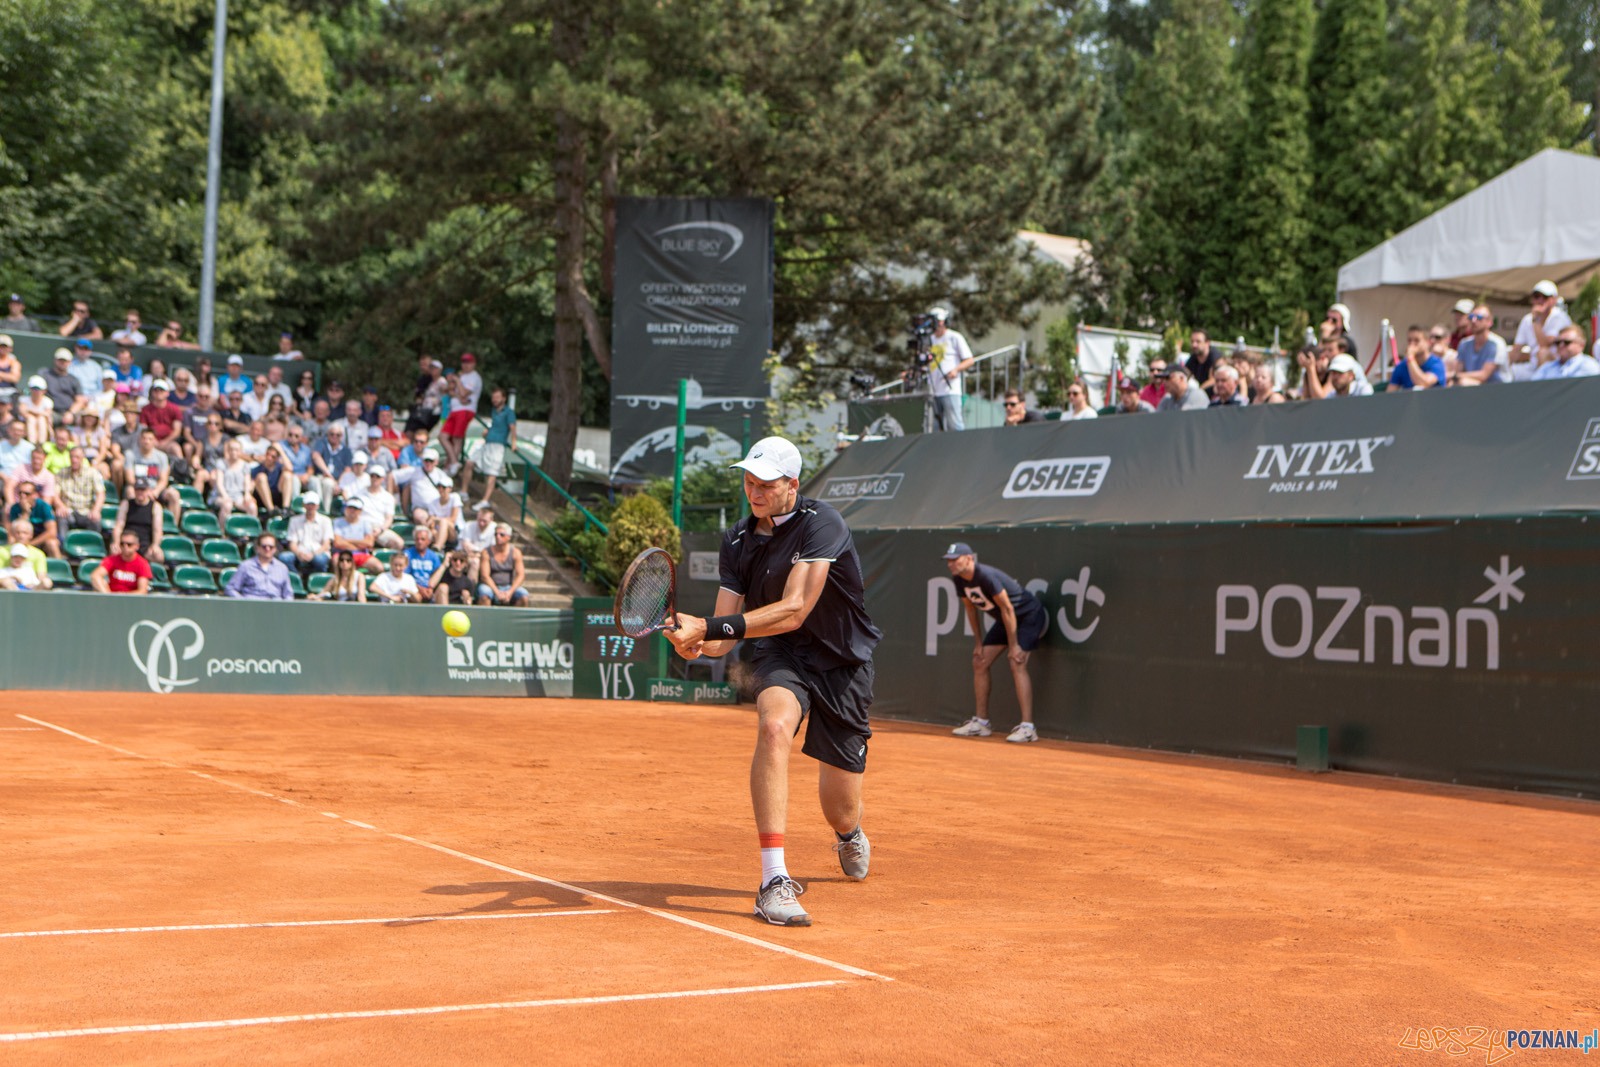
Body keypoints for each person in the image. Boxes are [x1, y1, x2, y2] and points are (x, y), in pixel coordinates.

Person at [665, 436, 880, 927]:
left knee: (841, 809)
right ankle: (773, 880)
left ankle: (849, 835)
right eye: (748, 481)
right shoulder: (737, 541)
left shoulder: (823, 523)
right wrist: (693, 640)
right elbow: (722, 637)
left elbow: (794, 610)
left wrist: (711, 628)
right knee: (774, 728)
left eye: (765, 483)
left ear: (793, 485)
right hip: (783, 657)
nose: (754, 491)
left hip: (844, 665)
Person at [942, 543, 1047, 744]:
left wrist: (1014, 644)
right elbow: (971, 609)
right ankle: (982, 723)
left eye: (955, 559)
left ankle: (1028, 727)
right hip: (1005, 620)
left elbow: (1008, 609)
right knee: (980, 661)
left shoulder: (985, 576)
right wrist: (978, 643)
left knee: (1017, 662)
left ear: (969, 559)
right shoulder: (958, 580)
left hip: (1028, 616)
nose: (950, 564)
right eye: (948, 560)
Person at [921, 308, 973, 432]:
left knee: (954, 424)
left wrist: (956, 370)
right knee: (934, 427)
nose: (938, 325)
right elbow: (923, 362)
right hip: (933, 390)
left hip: (950, 389)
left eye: (940, 322)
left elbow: (969, 359)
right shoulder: (929, 340)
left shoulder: (954, 337)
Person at [461, 387, 515, 502]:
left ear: (504, 399)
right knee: (469, 462)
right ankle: (463, 492)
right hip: (487, 444)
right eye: (493, 397)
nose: (494, 400)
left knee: (491, 473)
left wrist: (514, 443)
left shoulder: (509, 412)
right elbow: (496, 425)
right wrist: (488, 431)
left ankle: (485, 500)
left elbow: (512, 427)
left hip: (497, 446)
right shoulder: (494, 411)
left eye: (497, 397)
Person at [1510, 281, 1572, 382]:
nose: (1540, 300)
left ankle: (1544, 391)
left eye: (1545, 297)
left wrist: (1536, 320)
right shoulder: (1526, 320)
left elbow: (1544, 344)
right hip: (1533, 366)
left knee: (1542, 353)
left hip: (1557, 367)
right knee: (1507, 372)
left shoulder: (1560, 317)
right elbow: (1516, 349)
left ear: (1553, 300)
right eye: (1536, 296)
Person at [440, 353, 483, 472]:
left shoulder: (474, 377)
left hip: (465, 410)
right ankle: (452, 462)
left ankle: (451, 464)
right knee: (443, 436)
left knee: (456, 438)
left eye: (468, 363)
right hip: (455, 410)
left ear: (473, 364)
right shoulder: (462, 376)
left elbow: (464, 393)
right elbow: (451, 392)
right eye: (464, 363)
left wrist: (457, 380)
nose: (466, 365)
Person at [111, 477, 166, 563]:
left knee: (158, 556)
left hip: (145, 544)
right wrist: (116, 542)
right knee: (114, 551)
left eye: (142, 490)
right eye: (137, 490)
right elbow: (118, 526)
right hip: (127, 543)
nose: (140, 492)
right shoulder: (126, 504)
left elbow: (157, 529)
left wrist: (155, 545)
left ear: (148, 490)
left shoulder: (155, 506)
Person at [224, 533, 294, 599]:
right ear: (258, 548)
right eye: (264, 547)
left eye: (271, 547)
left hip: (275, 608)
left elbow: (288, 594)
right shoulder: (246, 566)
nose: (267, 549)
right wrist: (243, 602)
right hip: (251, 607)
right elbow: (231, 589)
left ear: (275, 549)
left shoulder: (282, 568)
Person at [476, 523, 529, 606]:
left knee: (524, 596)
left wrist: (510, 592)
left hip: (508, 586)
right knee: (485, 594)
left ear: (508, 537)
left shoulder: (516, 553)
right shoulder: (486, 552)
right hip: (490, 586)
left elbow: (521, 575)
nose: (498, 537)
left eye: (501, 534)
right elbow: (485, 576)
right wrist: (497, 592)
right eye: (496, 534)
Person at [284, 492, 334, 579]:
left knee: (320, 560)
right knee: (285, 558)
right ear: (304, 505)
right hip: (300, 552)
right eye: (308, 504)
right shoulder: (294, 520)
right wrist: (299, 553)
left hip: (318, 552)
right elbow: (292, 543)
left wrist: (313, 554)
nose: (310, 507)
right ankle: (297, 579)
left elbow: (326, 545)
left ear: (318, 506)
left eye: (313, 504)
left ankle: (317, 581)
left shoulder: (326, 521)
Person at [1450, 309, 1505, 386]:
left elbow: (1484, 375)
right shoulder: (1464, 343)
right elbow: (1459, 370)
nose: (1474, 321)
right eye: (1471, 317)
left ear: (1490, 322)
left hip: (1499, 390)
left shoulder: (1496, 343)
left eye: (1479, 317)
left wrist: (1457, 376)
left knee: (1463, 382)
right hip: (1476, 388)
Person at [54, 447, 104, 532]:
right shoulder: (61, 473)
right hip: (68, 510)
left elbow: (101, 494)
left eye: (77, 457)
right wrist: (60, 506)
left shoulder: (92, 473)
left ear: (82, 458)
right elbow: (55, 494)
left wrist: (96, 510)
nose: (74, 460)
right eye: (72, 457)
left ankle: (92, 544)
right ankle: (63, 544)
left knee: (96, 520)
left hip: (85, 511)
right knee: (60, 516)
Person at [6, 483, 60, 557]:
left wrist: (30, 544)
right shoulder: (15, 508)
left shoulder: (44, 507)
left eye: (26, 493)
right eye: (20, 493)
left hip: (41, 539)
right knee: (11, 540)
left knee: (52, 543)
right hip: (23, 537)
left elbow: (51, 532)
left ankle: (58, 566)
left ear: (34, 495)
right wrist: (25, 513)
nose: (23, 496)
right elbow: (15, 530)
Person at [332, 498, 383, 575]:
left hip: (361, 555)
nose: (352, 510)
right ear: (346, 508)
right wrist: (360, 545)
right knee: (336, 561)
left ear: (360, 511)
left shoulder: (365, 523)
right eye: (350, 507)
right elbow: (338, 543)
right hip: (343, 553)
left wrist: (347, 540)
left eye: (355, 508)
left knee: (379, 567)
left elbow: (370, 543)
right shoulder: (337, 522)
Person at [1532, 325, 1599, 379]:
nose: (1561, 345)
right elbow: (1533, 388)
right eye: (1558, 342)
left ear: (1581, 345)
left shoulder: (1589, 366)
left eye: (1566, 342)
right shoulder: (1546, 368)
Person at [0, 521, 51, 590]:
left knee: (47, 582)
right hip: (9, 587)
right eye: (18, 533)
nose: (21, 536)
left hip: (31, 589)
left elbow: (41, 577)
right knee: (6, 582)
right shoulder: (2, 551)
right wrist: (13, 578)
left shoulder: (38, 554)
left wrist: (32, 584)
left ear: (31, 535)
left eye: (24, 533)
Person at [42, 349, 86, 427]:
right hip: (50, 411)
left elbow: (80, 400)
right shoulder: (45, 375)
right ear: (55, 360)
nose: (62, 363)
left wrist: (71, 413)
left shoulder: (74, 380)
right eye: (60, 360)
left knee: (86, 419)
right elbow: (38, 394)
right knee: (43, 418)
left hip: (69, 412)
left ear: (70, 362)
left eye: (65, 361)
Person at [251, 444, 297, 515]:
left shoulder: (279, 468)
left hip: (276, 495)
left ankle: (286, 508)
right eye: (267, 455)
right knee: (261, 477)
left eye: (273, 456)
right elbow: (251, 486)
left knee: (287, 475)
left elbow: (290, 468)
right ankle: (271, 510)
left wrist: (281, 451)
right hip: (261, 499)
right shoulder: (256, 469)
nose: (269, 458)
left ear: (277, 458)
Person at [1185, 330, 1221, 396]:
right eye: (1192, 341)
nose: (1194, 345)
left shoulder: (1216, 358)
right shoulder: (1193, 357)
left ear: (1207, 343)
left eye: (1198, 342)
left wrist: (1198, 391)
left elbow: (1215, 380)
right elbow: (1185, 374)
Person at [18, 377, 53, 442]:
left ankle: (41, 444)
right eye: (33, 389)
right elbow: (22, 412)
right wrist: (38, 414)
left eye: (38, 389)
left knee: (41, 419)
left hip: (43, 423)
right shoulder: (23, 399)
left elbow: (47, 415)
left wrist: (30, 410)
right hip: (26, 424)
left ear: (44, 390)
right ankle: (32, 443)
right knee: (31, 419)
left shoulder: (48, 401)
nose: (36, 391)